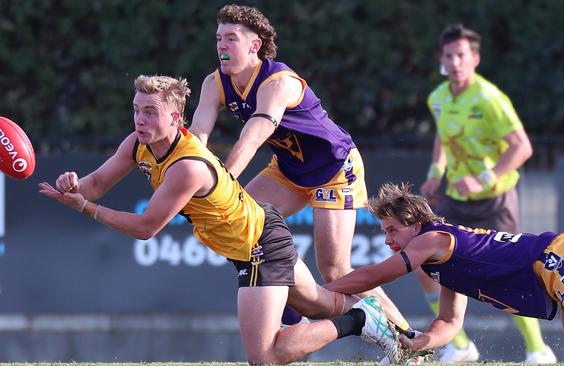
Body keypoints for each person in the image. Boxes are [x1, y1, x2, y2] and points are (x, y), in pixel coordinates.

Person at [38, 75, 403, 365]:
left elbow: (146, 228)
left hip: (260, 246)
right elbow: (97, 184)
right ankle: (384, 326)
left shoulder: (187, 167)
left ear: (175, 118)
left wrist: (86, 208)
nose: (140, 120)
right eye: (136, 110)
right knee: (322, 303)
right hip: (263, 231)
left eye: (150, 111)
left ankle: (361, 322)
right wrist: (75, 185)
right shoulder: (138, 143)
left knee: (263, 356)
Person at [189, 4, 409, 330]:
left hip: (335, 168)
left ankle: (409, 340)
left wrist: (224, 181)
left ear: (255, 45)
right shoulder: (215, 83)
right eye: (219, 37)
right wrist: (185, 175)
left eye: (231, 38)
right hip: (289, 171)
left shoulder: (279, 82)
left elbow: (255, 134)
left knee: (336, 270)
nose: (221, 45)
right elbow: (197, 138)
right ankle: (292, 314)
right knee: (235, 226)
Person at [325, 182, 564, 364]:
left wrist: (319, 293)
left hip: (558, 258)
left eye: (392, 229)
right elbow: (450, 322)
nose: (387, 239)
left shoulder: (432, 239)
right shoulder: (440, 262)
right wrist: (422, 342)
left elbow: (374, 277)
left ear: (413, 221)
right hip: (559, 263)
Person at [418, 23, 555, 363]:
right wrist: (436, 173)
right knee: (429, 266)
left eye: (462, 55)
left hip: (494, 202)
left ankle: (539, 351)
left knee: (510, 276)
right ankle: (460, 345)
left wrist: (484, 178)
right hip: (455, 200)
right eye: (449, 56)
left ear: (475, 59)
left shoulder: (490, 98)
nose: (455, 62)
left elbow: (522, 148)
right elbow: (443, 138)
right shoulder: (437, 98)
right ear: (442, 59)